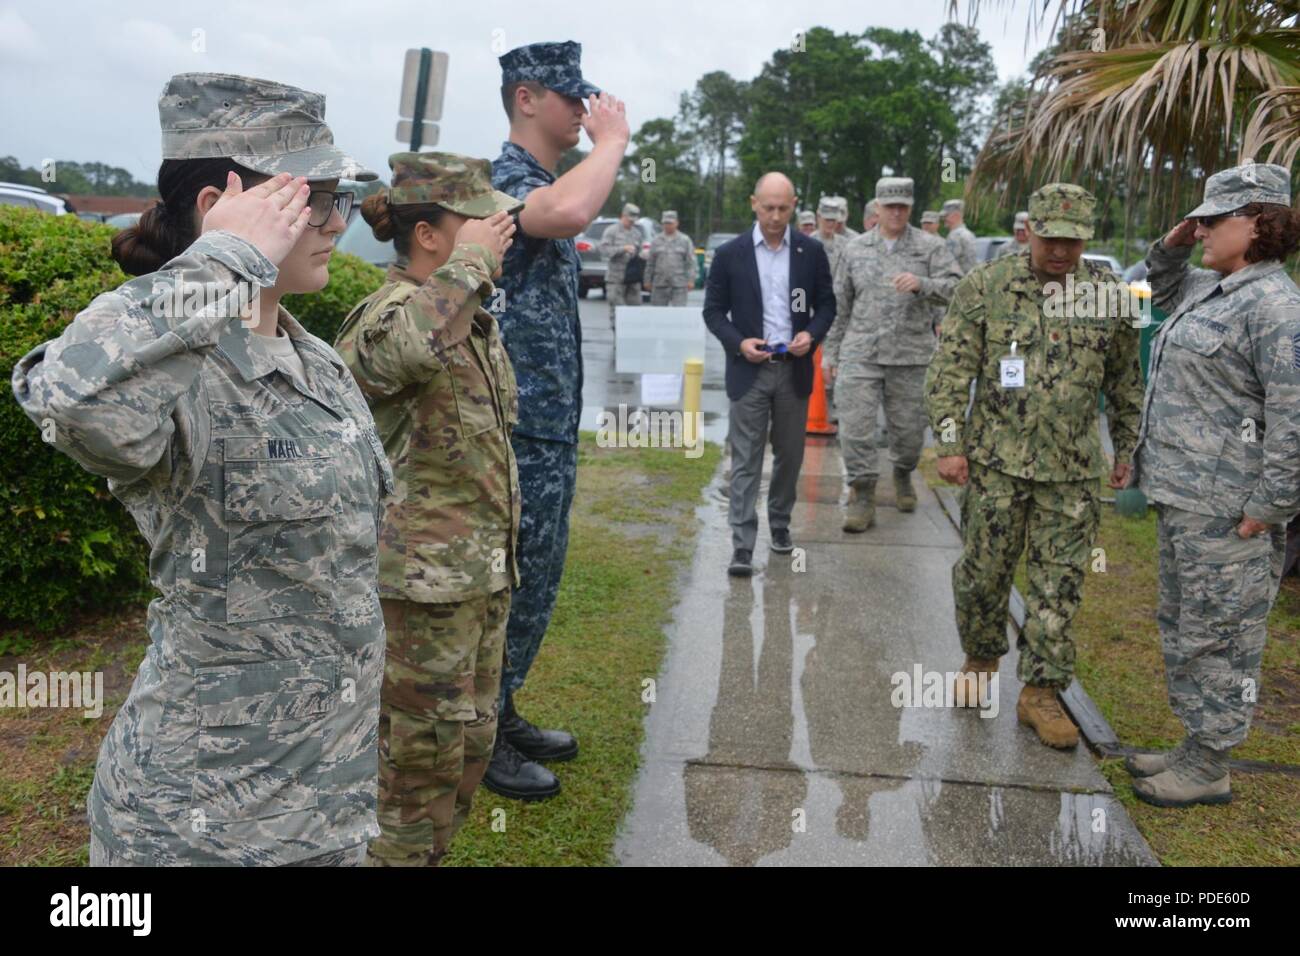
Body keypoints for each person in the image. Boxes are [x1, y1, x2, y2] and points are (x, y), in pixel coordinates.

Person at [11, 73, 392, 865]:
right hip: (202, 824)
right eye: (311, 199)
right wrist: (225, 261)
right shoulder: (173, 368)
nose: (333, 222)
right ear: (222, 210)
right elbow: (73, 399)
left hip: (324, 803)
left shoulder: (314, 359)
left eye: (340, 198)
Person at [332, 152, 520, 864]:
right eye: (478, 217)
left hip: (477, 586)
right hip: (420, 598)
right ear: (431, 237)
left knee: (465, 757)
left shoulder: (467, 318)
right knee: (411, 779)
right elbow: (396, 356)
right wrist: (469, 269)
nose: (497, 228)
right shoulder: (391, 315)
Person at [925, 183, 1144, 750]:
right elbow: (951, 369)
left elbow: (1125, 381)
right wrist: (950, 443)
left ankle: (1041, 694)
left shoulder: (1108, 295)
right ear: (1029, 230)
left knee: (1059, 585)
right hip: (996, 463)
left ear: (1086, 238)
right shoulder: (987, 286)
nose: (1060, 252)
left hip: (1071, 471)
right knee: (983, 574)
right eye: (1051, 239)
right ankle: (979, 661)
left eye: (1072, 242)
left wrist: (1126, 449)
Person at [1127, 162, 1300, 807]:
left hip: (1232, 511)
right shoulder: (1215, 289)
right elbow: (1163, 285)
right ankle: (1196, 747)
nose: (1198, 229)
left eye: (1211, 219)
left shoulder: (1279, 308)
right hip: (1186, 499)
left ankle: (1210, 766)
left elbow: (1295, 414)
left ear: (1256, 221)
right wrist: (1173, 242)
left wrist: (1271, 504)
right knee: (1185, 627)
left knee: (1223, 635)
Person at [487, 40, 629, 800]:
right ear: (526, 98)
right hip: (510, 429)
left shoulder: (545, 178)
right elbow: (571, 210)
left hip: (542, 426)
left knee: (534, 579)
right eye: (570, 96)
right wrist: (612, 143)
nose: (584, 109)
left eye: (588, 100)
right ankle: (478, 734)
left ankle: (498, 708)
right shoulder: (503, 181)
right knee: (506, 581)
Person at [703, 172, 836, 576]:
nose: (775, 216)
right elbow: (712, 311)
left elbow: (827, 306)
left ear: (794, 204)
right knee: (745, 459)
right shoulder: (731, 254)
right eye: (768, 208)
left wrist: (810, 336)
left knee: (790, 456)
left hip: (793, 371)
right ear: (753, 203)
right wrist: (739, 342)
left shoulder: (810, 253)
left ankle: (780, 524)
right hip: (749, 370)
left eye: (783, 208)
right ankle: (742, 544)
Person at [824, 176, 961, 531]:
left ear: (911, 207)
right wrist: (831, 355)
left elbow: (959, 290)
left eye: (903, 206)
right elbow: (840, 304)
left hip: (911, 357)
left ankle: (903, 473)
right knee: (854, 429)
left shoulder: (930, 248)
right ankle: (863, 495)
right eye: (890, 206)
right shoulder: (854, 249)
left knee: (909, 435)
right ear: (878, 207)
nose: (896, 212)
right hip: (861, 353)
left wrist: (923, 285)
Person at [599, 202, 643, 326]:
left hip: (632, 279)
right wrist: (622, 249)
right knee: (617, 311)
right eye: (629, 220)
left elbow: (638, 253)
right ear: (623, 216)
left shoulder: (637, 233)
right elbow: (604, 250)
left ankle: (631, 340)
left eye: (634, 220)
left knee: (634, 311)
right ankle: (617, 342)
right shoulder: (612, 231)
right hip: (616, 278)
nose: (632, 223)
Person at [644, 210, 695, 305]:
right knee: (658, 314)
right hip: (659, 284)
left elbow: (690, 262)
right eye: (665, 223)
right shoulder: (656, 240)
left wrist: (691, 280)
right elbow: (650, 262)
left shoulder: (685, 240)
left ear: (676, 223)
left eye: (670, 223)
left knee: (679, 314)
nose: (667, 225)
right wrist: (647, 280)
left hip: (679, 285)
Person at [813, 195, 851, 277]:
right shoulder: (809, 243)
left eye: (833, 220)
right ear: (818, 217)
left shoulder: (845, 244)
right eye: (827, 219)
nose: (830, 224)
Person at [942, 198, 978, 273]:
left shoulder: (955, 236)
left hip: (957, 281)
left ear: (956, 216)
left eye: (946, 216)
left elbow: (948, 263)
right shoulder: (968, 234)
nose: (944, 219)